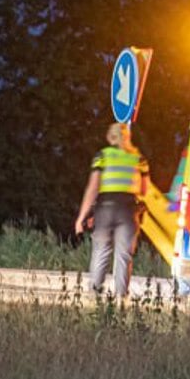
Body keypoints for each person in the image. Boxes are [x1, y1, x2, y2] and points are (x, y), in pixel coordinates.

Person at [73, 123, 149, 299]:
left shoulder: (102, 156)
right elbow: (144, 191)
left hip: (105, 208)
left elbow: (93, 188)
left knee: (101, 252)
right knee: (123, 256)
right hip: (128, 210)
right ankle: (121, 300)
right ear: (127, 137)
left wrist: (81, 217)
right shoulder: (139, 159)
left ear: (110, 137)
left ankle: (93, 297)